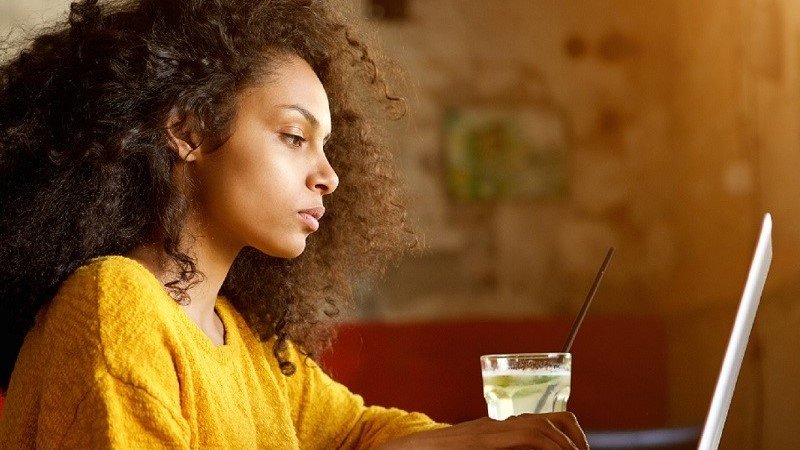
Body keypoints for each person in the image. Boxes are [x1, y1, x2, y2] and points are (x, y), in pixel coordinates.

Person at [0, 0, 589, 448]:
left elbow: (356, 435)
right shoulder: (114, 305)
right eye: (293, 136)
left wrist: (486, 437)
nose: (329, 176)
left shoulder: (242, 340)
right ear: (189, 133)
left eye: (327, 145)